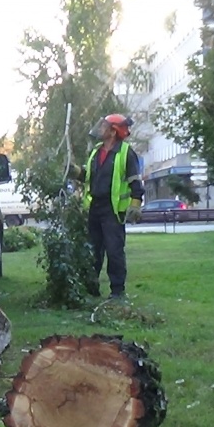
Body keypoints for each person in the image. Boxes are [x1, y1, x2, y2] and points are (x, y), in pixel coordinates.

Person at [83, 114, 144, 298]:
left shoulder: (126, 152)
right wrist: (75, 172)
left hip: (113, 210)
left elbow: (135, 183)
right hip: (94, 208)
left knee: (114, 250)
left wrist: (135, 205)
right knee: (93, 250)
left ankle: (117, 291)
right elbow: (89, 178)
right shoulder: (96, 151)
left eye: (104, 126)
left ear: (113, 131)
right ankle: (91, 288)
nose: (100, 129)